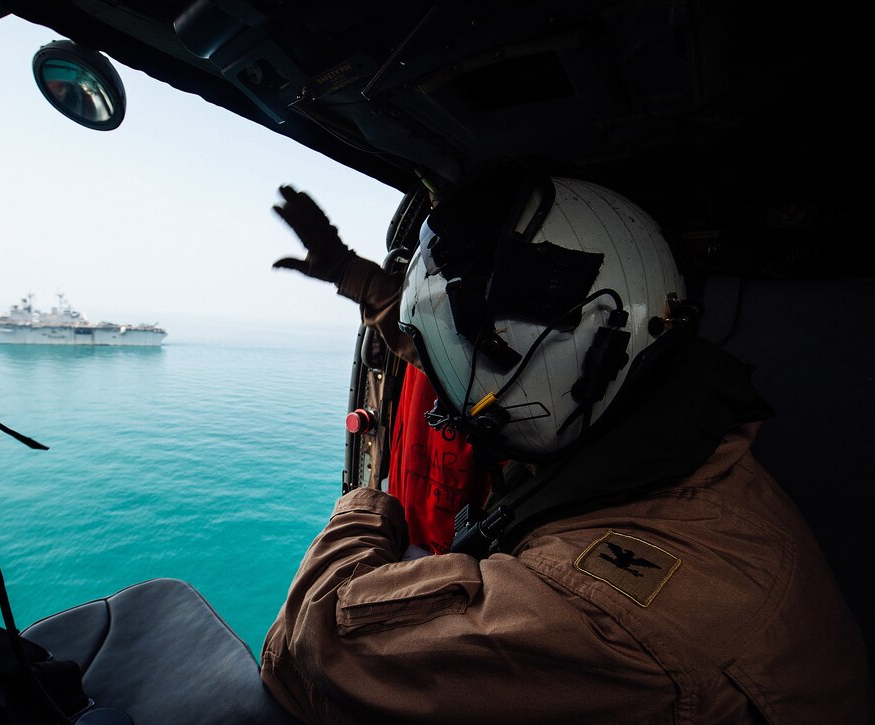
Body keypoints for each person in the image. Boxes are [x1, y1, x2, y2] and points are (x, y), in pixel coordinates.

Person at [263, 172, 870, 722]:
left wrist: (366, 504)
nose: (449, 402)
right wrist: (354, 275)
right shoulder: (657, 421)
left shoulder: (602, 612)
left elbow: (316, 645)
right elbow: (502, 361)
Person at [272, 185, 489, 555]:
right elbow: (421, 331)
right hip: (407, 533)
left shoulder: (519, 380)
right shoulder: (431, 343)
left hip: (466, 559)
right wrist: (347, 271)